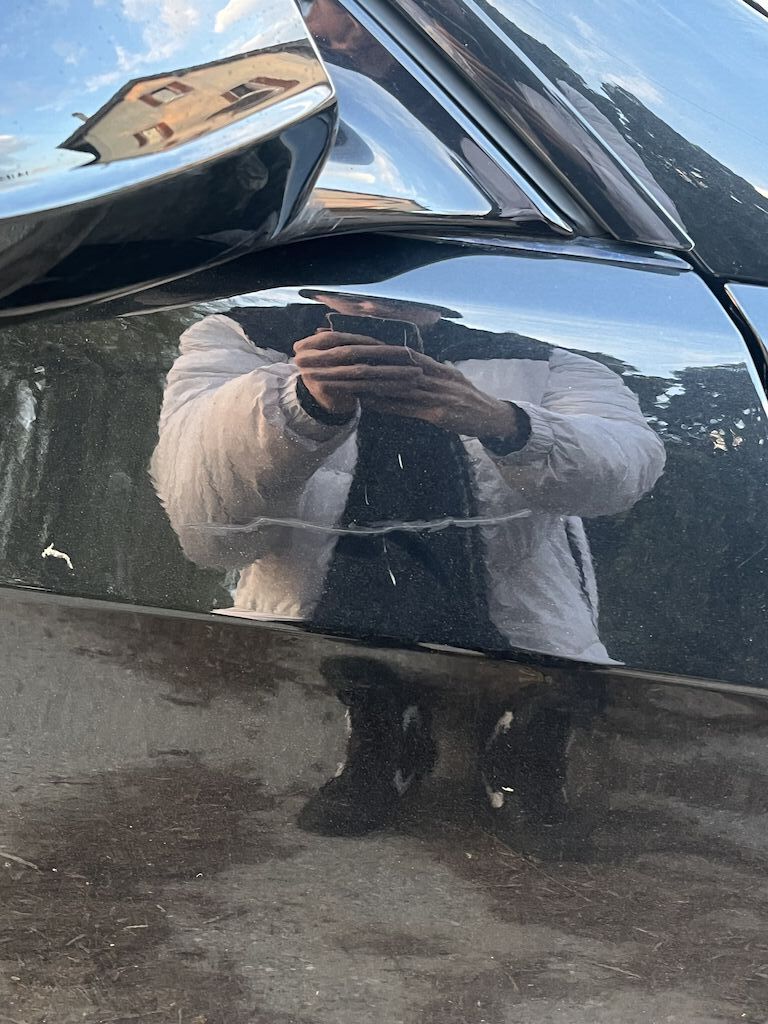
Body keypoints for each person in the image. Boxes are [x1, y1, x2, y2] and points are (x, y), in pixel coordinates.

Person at [150, 290, 665, 837]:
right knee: (362, 674)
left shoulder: (542, 347)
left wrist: (504, 422)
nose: (377, 307)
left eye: (403, 289)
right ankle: (379, 741)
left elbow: (625, 471)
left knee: (544, 695)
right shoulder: (242, 337)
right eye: (355, 286)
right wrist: (302, 403)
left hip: (517, 602)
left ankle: (523, 748)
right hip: (321, 599)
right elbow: (203, 524)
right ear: (317, 282)